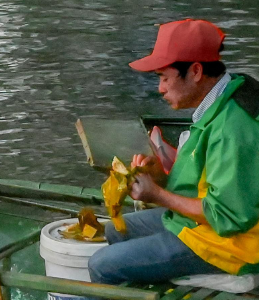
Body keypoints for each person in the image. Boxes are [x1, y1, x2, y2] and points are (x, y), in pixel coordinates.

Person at [88, 18, 259, 286]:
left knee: (101, 266)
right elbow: (205, 182)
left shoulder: (233, 127)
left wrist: (157, 194)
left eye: (165, 78)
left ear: (196, 71)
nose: (160, 89)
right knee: (116, 230)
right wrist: (162, 177)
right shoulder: (223, 98)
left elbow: (226, 217)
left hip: (233, 245)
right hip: (208, 226)